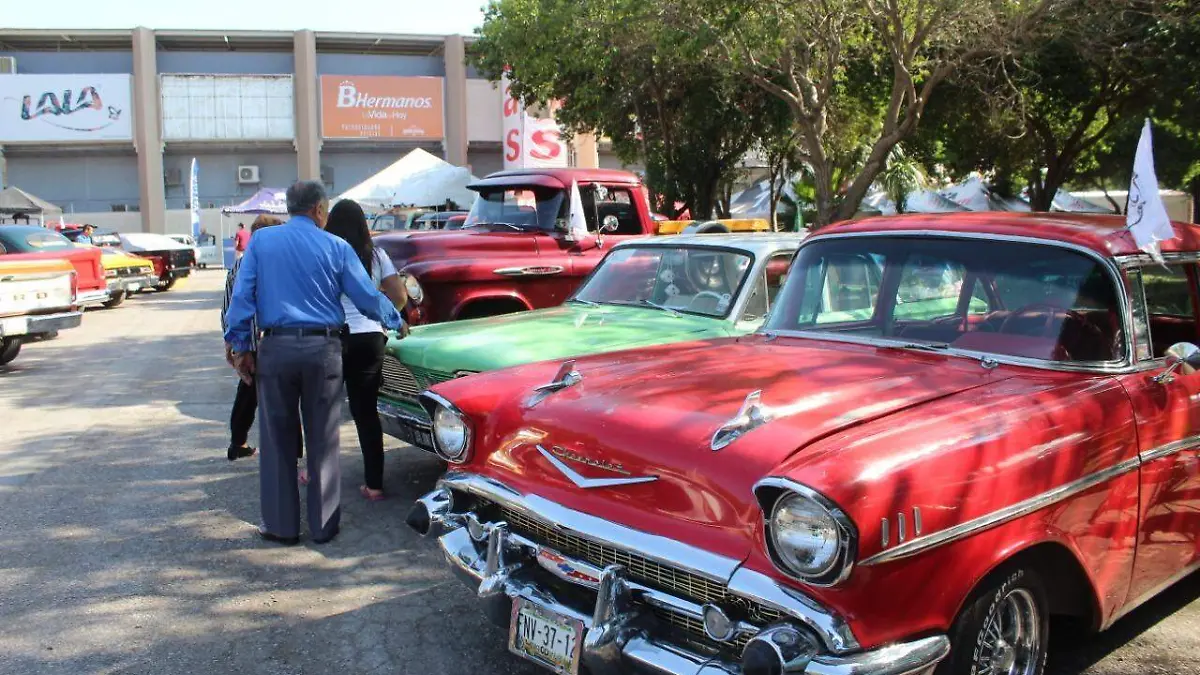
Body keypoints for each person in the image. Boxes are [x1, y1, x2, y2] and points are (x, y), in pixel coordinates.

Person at [224, 180, 403, 546]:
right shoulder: (336, 246)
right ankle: (324, 527)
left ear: (290, 208)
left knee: (277, 440)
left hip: (275, 348)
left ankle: (280, 526)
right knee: (323, 439)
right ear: (320, 210)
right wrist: (397, 319)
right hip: (324, 350)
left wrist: (240, 345)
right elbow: (367, 296)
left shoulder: (261, 242)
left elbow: (243, 297)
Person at [324, 200, 408, 501]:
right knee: (365, 412)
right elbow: (399, 296)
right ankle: (374, 484)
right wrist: (389, 319)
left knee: (323, 410)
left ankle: (317, 475)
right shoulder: (377, 255)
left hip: (333, 337)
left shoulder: (326, 253)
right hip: (371, 337)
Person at [221, 215, 283, 461]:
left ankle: (238, 443)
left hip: (248, 341)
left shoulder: (239, 263)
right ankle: (290, 450)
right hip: (266, 339)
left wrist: (231, 341)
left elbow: (227, 304)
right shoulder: (274, 263)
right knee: (282, 397)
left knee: (248, 392)